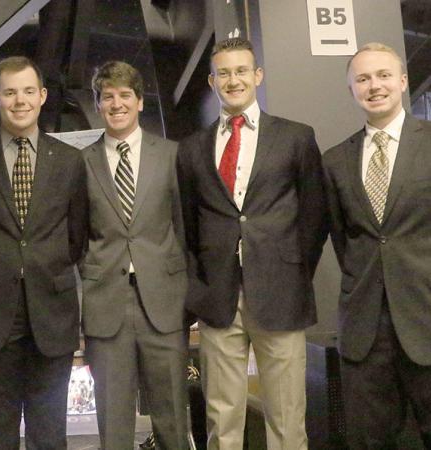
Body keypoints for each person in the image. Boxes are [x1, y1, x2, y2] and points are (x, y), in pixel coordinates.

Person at [177, 37, 327, 449]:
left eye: (241, 70)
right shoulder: (191, 149)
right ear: (212, 81)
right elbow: (186, 224)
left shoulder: (296, 137)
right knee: (221, 419)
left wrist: (293, 270)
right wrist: (198, 287)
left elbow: (314, 217)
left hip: (282, 294)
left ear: (257, 75)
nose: (233, 80)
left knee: (287, 418)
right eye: (223, 73)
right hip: (218, 299)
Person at [0, 56, 88, 449]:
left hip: (53, 313)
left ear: (43, 96)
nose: (20, 101)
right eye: (10, 92)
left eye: (29, 91)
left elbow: (76, 236)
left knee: (50, 434)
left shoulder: (69, 160)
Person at [322, 42, 431, 449]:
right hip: (365, 327)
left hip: (426, 313)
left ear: (402, 81)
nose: (374, 86)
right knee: (370, 440)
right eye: (363, 79)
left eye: (383, 75)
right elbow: (343, 238)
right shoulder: (335, 161)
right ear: (352, 89)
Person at [80, 61, 189, 449]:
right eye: (107, 97)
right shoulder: (81, 162)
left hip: (164, 300)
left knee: (173, 417)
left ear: (140, 101)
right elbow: (76, 235)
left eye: (125, 95)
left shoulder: (172, 155)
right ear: (98, 105)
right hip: (106, 303)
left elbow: (185, 227)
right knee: (113, 422)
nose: (117, 104)